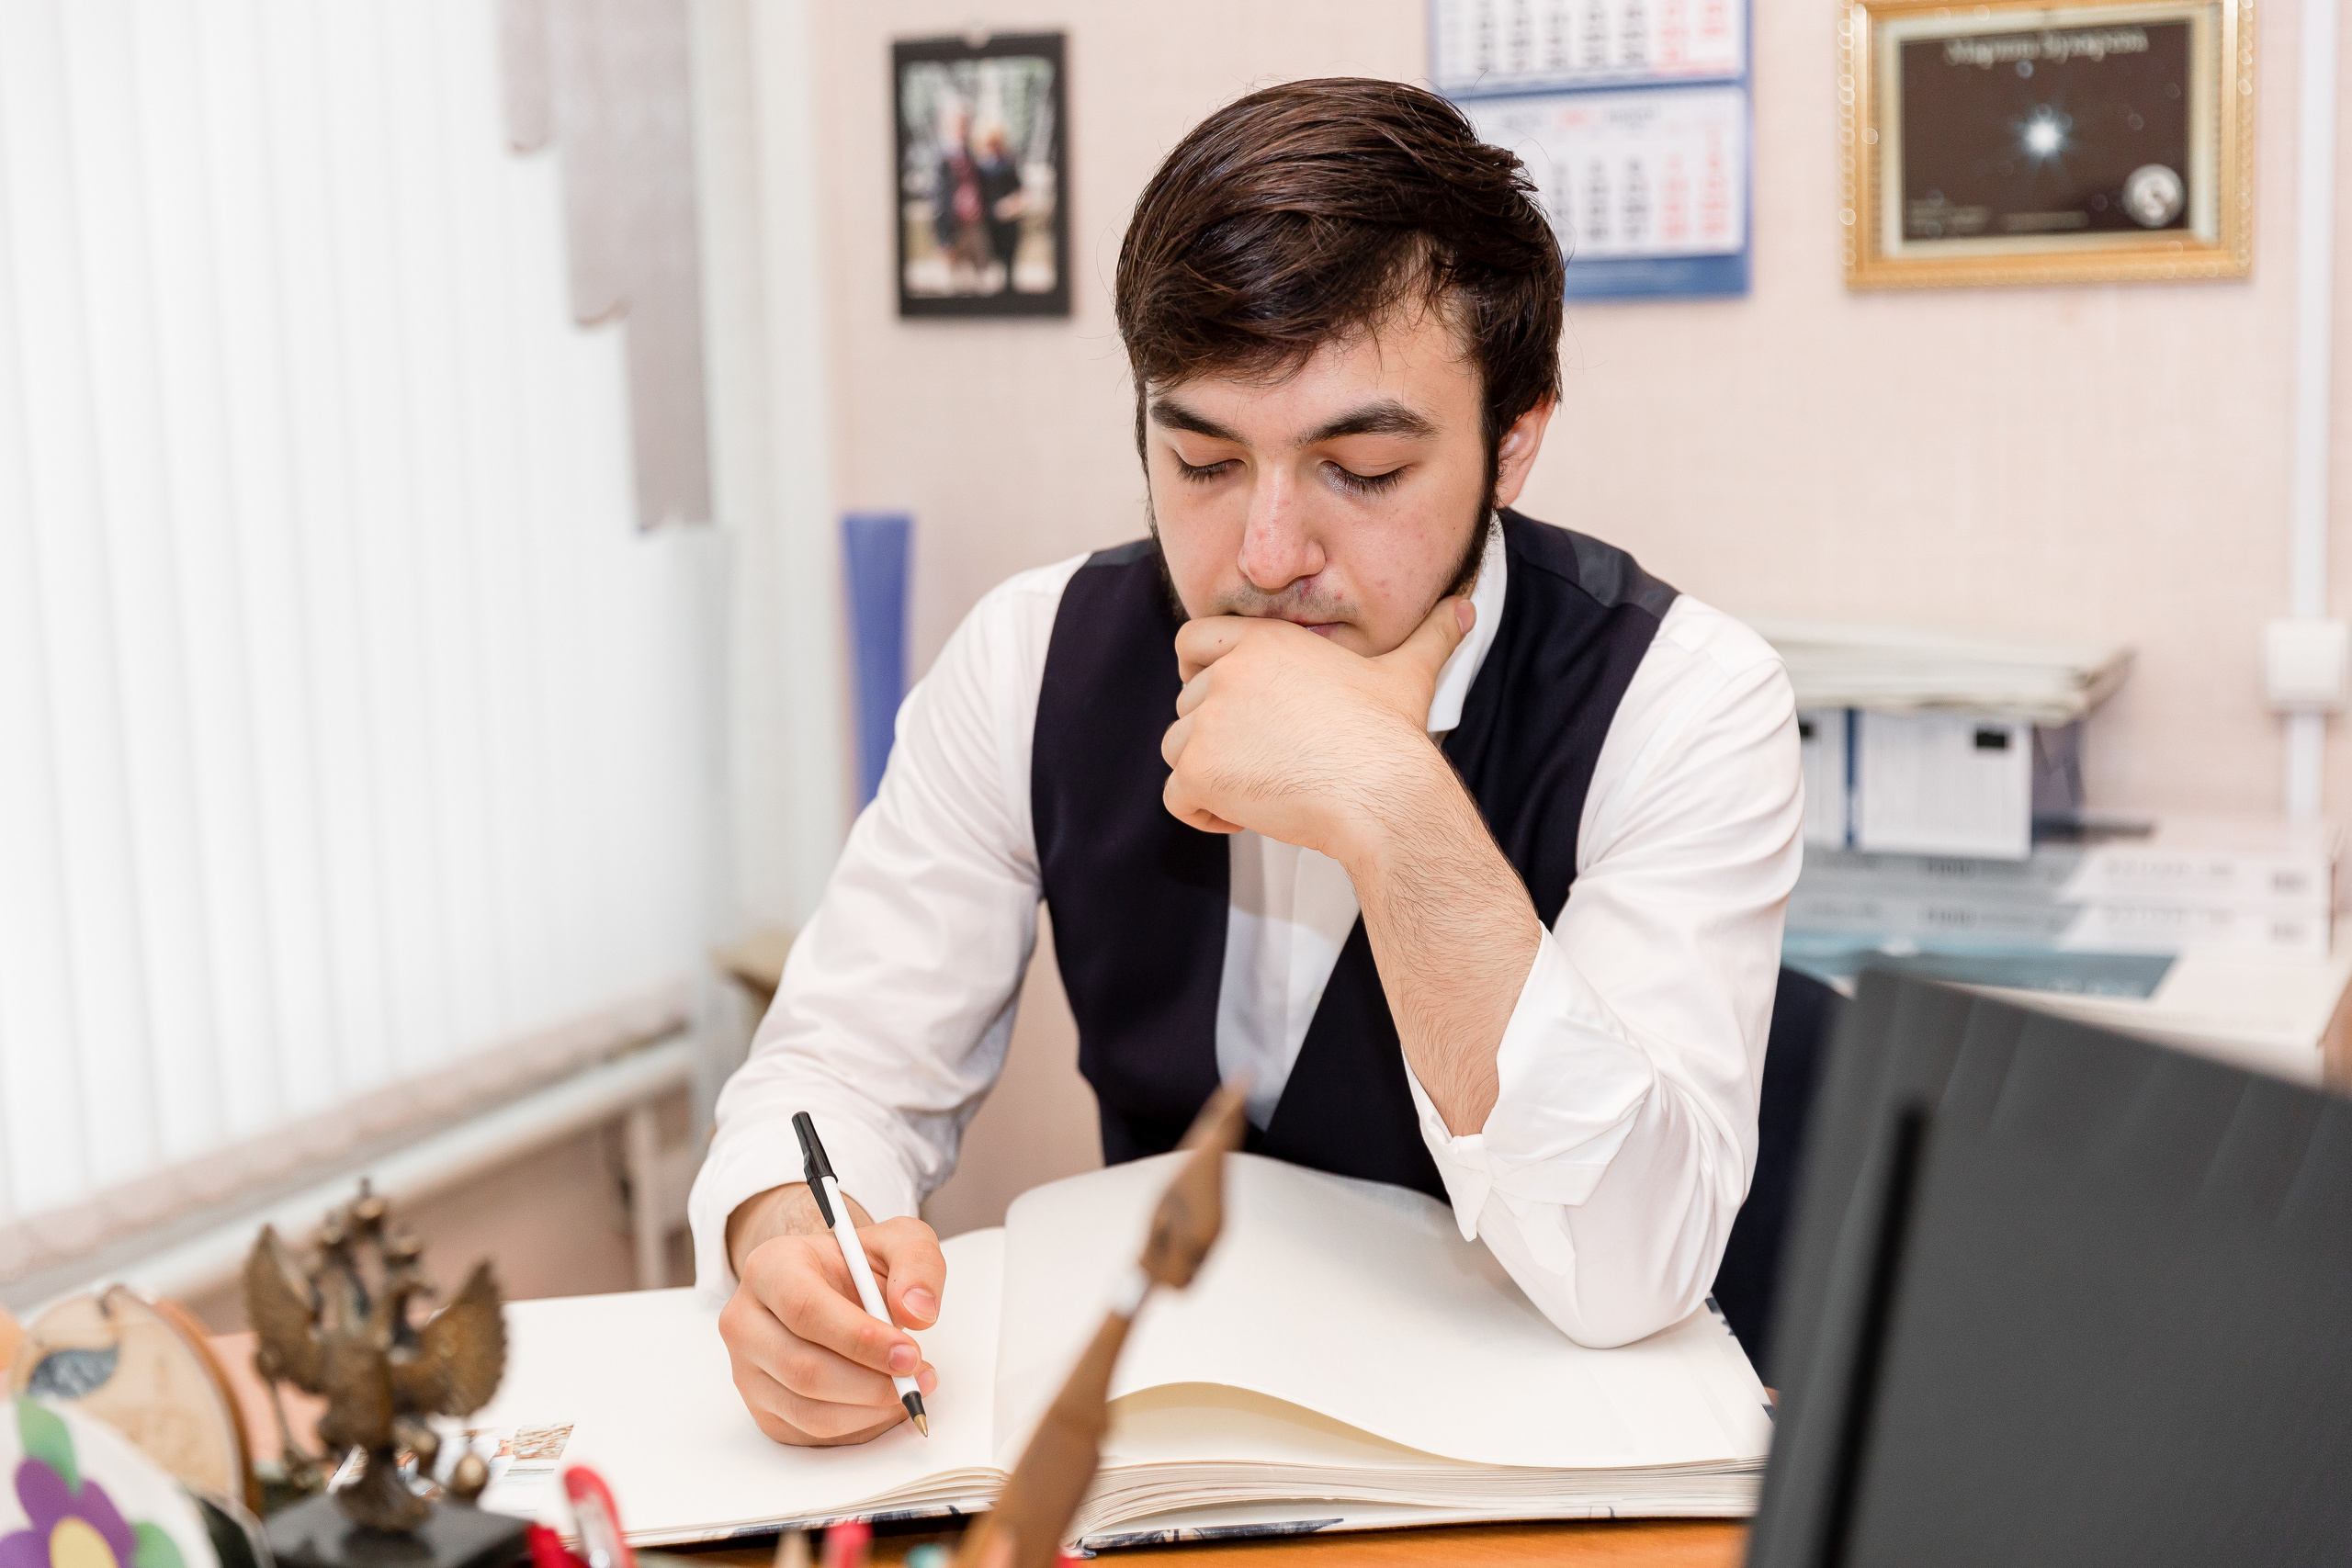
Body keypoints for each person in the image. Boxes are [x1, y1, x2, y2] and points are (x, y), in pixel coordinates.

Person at [692, 78, 1802, 1448]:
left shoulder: (1686, 701)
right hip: (1163, 1453)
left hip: (1526, 1469)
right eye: (1204, 460)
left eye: (1366, 470)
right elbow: (841, 1070)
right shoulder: (1030, 655)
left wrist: (1395, 807)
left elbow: (1632, 1267)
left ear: (1514, 440)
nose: (1268, 555)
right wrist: (788, 1235)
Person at [973, 122, 1027, 289]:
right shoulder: (980, 167)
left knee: (1008, 263)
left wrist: (1011, 206)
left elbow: (1020, 192)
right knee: (992, 261)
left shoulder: (1008, 164)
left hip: (1009, 220)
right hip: (990, 220)